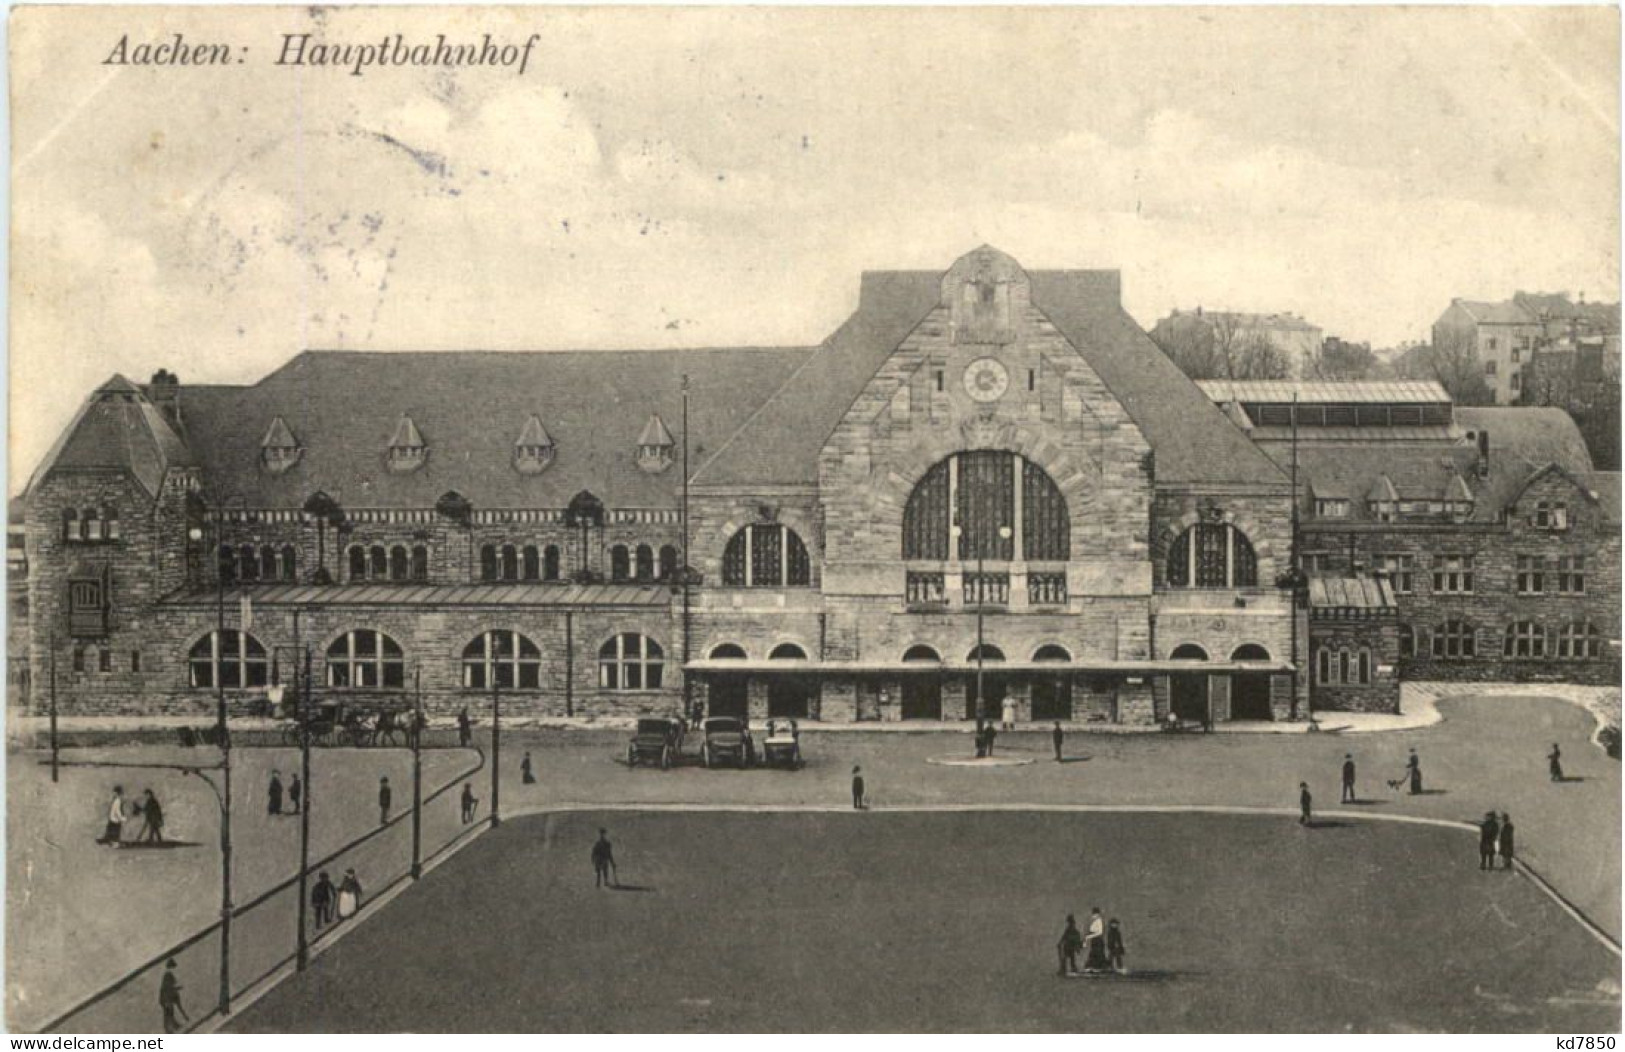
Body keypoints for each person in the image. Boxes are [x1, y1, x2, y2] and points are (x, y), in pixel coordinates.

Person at [158, 959, 186, 1033]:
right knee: (168, 1013)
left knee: (169, 1012)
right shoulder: (168, 975)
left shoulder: (167, 974)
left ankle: (174, 1026)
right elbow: (168, 987)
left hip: (165, 997)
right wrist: (177, 988)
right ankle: (168, 1029)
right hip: (166, 997)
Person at [1082, 908, 1109, 973]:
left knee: (1098, 954)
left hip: (1098, 941)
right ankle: (1093, 968)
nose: (1093, 916)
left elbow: (1100, 932)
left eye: (1094, 914)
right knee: (1093, 954)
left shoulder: (1099, 921)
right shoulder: (1095, 921)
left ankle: (1099, 968)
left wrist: (1089, 937)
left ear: (1097, 914)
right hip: (1094, 941)